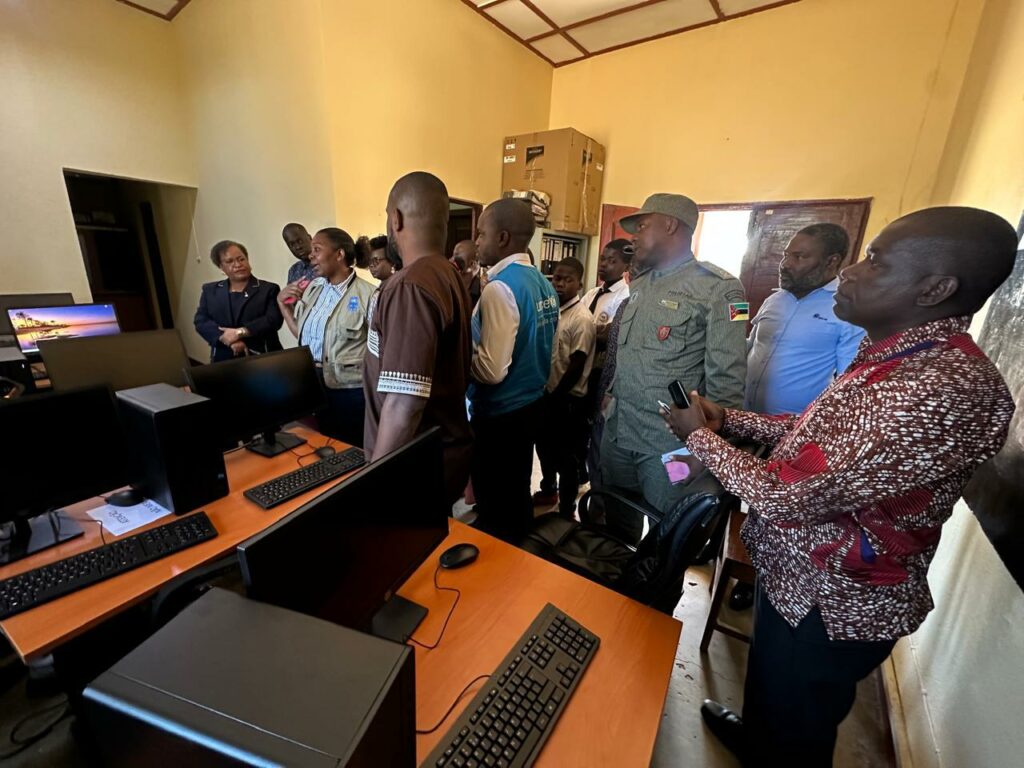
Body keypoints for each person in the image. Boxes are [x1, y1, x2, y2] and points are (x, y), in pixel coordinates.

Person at [661, 206, 1017, 767]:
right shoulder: (896, 358)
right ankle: (756, 737)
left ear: (935, 288)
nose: (849, 271)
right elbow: (814, 438)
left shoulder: (935, 387)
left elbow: (787, 494)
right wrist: (729, 420)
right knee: (773, 695)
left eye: (875, 261)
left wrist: (699, 438)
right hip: (796, 577)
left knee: (796, 728)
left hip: (832, 601)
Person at [601, 193, 747, 542]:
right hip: (619, 433)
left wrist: (708, 452)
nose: (634, 236)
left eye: (642, 226)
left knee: (667, 533)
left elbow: (727, 381)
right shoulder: (641, 283)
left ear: (669, 225)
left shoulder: (723, 290)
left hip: (670, 447)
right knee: (615, 527)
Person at [363, 172, 473, 505]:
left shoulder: (410, 285)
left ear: (395, 218)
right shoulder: (446, 273)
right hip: (439, 455)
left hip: (412, 468)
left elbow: (404, 402)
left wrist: (373, 484)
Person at [469, 198, 559, 541]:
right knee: (516, 487)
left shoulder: (500, 287)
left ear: (503, 237)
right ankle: (518, 546)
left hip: (501, 413)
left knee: (496, 497)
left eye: (481, 234)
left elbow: (492, 370)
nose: (477, 241)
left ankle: (501, 553)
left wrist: (461, 359)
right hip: (531, 403)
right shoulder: (541, 282)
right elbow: (546, 348)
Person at [746, 223, 866, 415]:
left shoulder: (847, 308)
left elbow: (848, 380)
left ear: (831, 261)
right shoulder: (775, 299)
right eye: (786, 255)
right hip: (741, 413)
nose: (785, 264)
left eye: (799, 257)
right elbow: (751, 345)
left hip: (792, 423)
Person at [278, 227, 376, 446]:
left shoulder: (369, 295)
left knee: (351, 446)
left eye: (317, 249)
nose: (310, 255)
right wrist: (283, 305)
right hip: (313, 382)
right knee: (322, 443)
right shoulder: (313, 289)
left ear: (339, 254)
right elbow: (304, 335)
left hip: (349, 389)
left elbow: (380, 349)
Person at [534, 258, 596, 515]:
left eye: (567, 280)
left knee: (567, 458)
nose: (560, 284)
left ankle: (567, 509)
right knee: (544, 448)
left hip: (568, 400)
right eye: (557, 278)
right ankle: (548, 489)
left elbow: (577, 364)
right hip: (548, 394)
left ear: (579, 284)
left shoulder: (581, 318)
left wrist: (555, 397)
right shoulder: (552, 312)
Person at [194, 240, 283, 362]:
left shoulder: (268, 289)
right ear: (221, 267)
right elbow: (201, 321)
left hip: (262, 356)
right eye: (229, 261)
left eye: (241, 259)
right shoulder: (210, 290)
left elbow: (273, 320)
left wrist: (240, 332)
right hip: (223, 357)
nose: (238, 264)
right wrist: (226, 339)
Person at [452, 239, 484, 309]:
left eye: (457, 256)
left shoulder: (481, 291)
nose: (451, 260)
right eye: (452, 255)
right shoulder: (451, 283)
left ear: (472, 264)